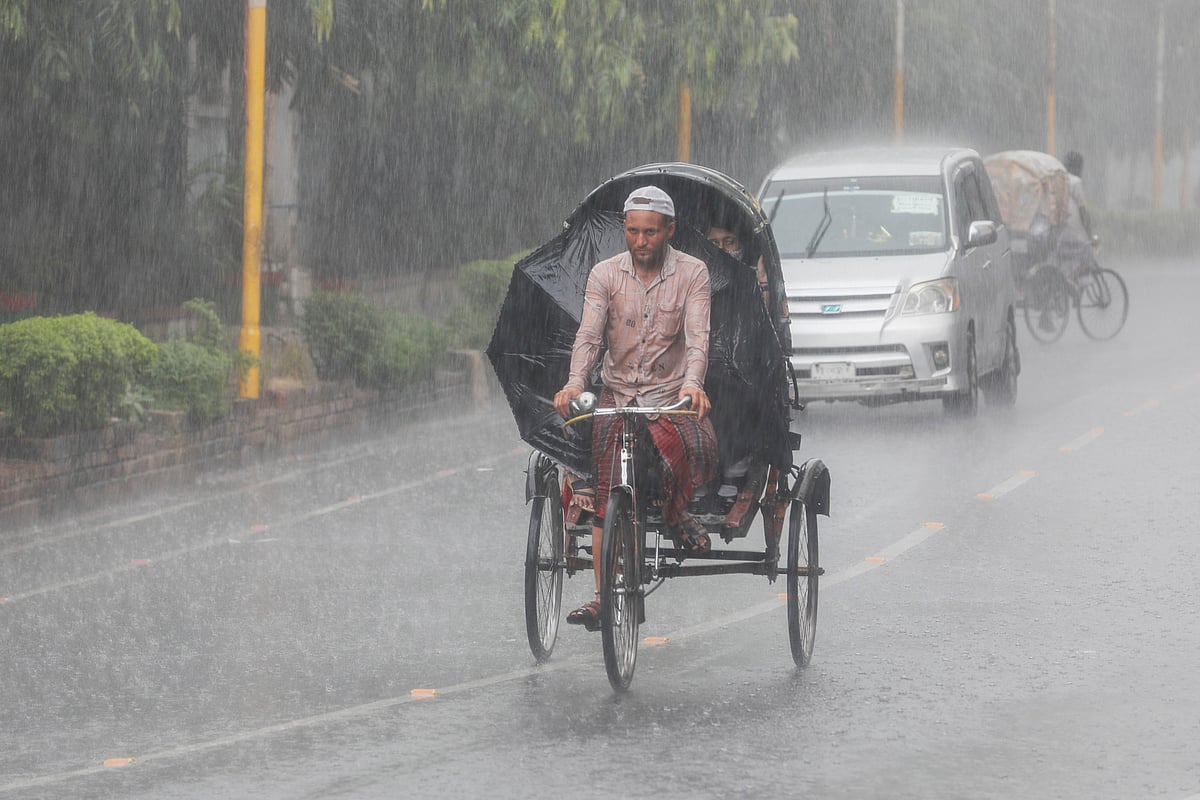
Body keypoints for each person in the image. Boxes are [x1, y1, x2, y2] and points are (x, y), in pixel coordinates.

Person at [554, 185, 718, 631]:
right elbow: (589, 336)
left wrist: (693, 385)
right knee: (607, 493)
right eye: (632, 232)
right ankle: (601, 598)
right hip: (617, 395)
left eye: (650, 233)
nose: (641, 242)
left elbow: (698, 338)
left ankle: (675, 512)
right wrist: (573, 384)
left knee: (692, 452)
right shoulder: (605, 274)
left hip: (670, 397)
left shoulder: (693, 272)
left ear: (669, 230)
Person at [1058, 150, 1099, 281]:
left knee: (1063, 258)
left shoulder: (1057, 180)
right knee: (1088, 254)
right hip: (1071, 233)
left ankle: (1066, 280)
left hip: (1056, 232)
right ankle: (1070, 281)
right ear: (1078, 167)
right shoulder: (1075, 182)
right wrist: (1090, 233)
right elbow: (1083, 211)